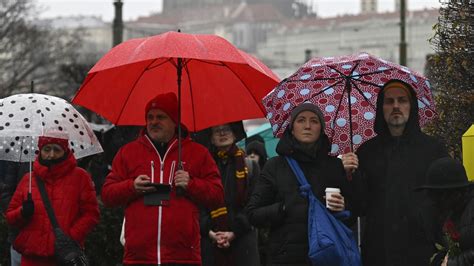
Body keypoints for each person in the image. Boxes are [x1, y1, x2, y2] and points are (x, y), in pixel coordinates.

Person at [101, 92, 226, 265]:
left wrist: (192, 184)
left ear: (175, 121)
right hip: (138, 257)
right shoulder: (128, 153)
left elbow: (217, 195)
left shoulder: (198, 153)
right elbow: (107, 195)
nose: (153, 122)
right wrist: (132, 187)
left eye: (161, 117)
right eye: (150, 117)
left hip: (183, 256)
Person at [342, 79, 448, 266]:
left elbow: (448, 201)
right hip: (378, 252)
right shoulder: (366, 152)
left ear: (412, 106)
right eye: (389, 101)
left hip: (424, 251)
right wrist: (350, 176)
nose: (396, 106)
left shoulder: (433, 150)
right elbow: (358, 206)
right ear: (381, 108)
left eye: (402, 100)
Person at [247, 102, 350, 266]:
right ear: (292, 128)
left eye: (314, 121)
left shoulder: (334, 166)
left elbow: (356, 209)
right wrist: (283, 208)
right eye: (301, 120)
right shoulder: (274, 166)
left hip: (327, 255)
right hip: (285, 258)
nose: (307, 126)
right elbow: (253, 214)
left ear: (321, 129)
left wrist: (343, 206)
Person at [5, 134, 100, 266]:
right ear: (40, 150)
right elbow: (10, 217)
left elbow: (91, 214)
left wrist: (71, 236)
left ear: (65, 151)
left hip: (64, 256)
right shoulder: (29, 179)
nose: (51, 154)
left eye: (57, 150)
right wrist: (22, 213)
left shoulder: (80, 177)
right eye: (47, 149)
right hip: (32, 256)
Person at [200, 122, 260, 266]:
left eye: (226, 129)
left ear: (234, 134)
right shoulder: (202, 168)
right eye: (217, 131)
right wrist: (210, 232)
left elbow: (256, 202)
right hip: (211, 242)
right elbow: (198, 204)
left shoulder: (249, 166)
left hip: (243, 241)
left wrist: (234, 232)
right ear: (212, 138)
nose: (222, 133)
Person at [416, 157, 474, 266]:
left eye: (438, 195)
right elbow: (452, 248)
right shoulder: (452, 213)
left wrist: (453, 263)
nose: (434, 201)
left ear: (455, 193)